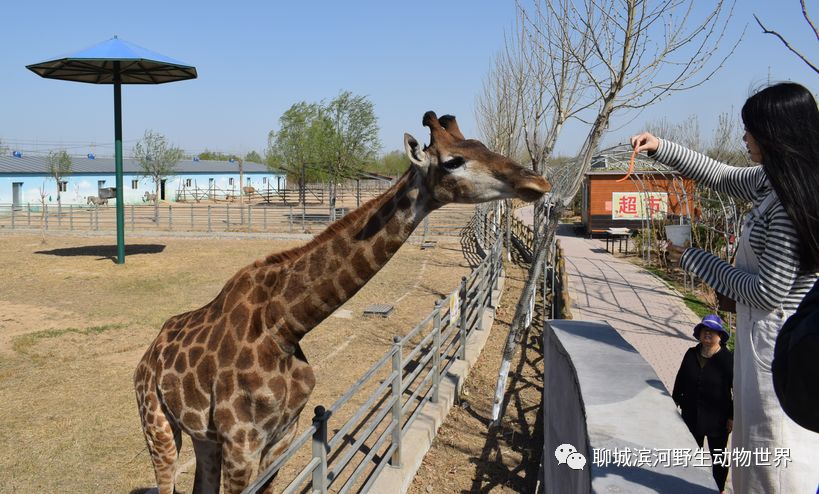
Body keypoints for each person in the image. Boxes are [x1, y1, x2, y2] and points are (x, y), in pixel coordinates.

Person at [632, 82, 819, 493]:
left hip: (778, 342)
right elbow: (722, 174)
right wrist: (661, 147)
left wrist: (695, 259)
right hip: (761, 338)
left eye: (750, 130)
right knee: (755, 448)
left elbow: (768, 291)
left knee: (777, 451)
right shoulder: (773, 181)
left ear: (775, 133)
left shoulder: (789, 203)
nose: (744, 138)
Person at [673, 314, 733, 493]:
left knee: (719, 456)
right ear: (699, 334)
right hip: (691, 414)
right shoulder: (691, 353)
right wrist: (673, 403)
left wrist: (732, 416)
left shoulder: (727, 359)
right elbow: (680, 380)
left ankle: (718, 489)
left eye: (712, 331)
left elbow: (736, 390)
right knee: (691, 453)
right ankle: (692, 485)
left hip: (718, 418)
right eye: (704, 330)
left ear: (720, 336)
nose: (707, 334)